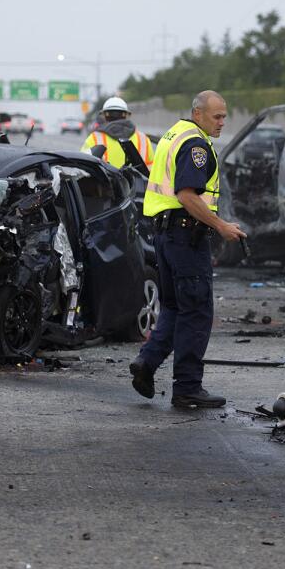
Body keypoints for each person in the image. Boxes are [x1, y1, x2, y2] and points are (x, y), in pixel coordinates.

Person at [130, 90, 246, 408]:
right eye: (217, 116)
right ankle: (187, 387)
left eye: (224, 116)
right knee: (196, 312)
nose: (222, 122)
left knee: (173, 308)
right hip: (185, 238)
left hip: (167, 237)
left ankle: (146, 363)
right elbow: (186, 195)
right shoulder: (195, 144)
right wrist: (221, 226)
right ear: (198, 113)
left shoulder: (175, 133)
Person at [80, 97, 154, 171]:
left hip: (105, 182)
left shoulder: (94, 138)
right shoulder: (143, 139)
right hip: (137, 182)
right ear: (126, 114)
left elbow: (83, 165)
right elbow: (153, 169)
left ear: (105, 115)